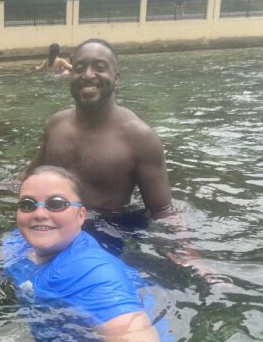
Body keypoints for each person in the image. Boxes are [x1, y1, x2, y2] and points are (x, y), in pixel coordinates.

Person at [3, 166, 170, 342]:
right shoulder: (18, 242)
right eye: (27, 204)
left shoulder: (89, 271)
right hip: (65, 335)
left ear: (81, 215)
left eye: (56, 204)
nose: (39, 213)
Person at [26, 39, 172, 219]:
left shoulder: (140, 138)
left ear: (116, 78)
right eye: (79, 69)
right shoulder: (56, 124)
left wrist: (183, 245)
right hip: (50, 223)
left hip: (107, 233)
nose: (87, 75)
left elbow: (162, 210)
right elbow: (27, 177)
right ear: (71, 75)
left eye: (99, 67)